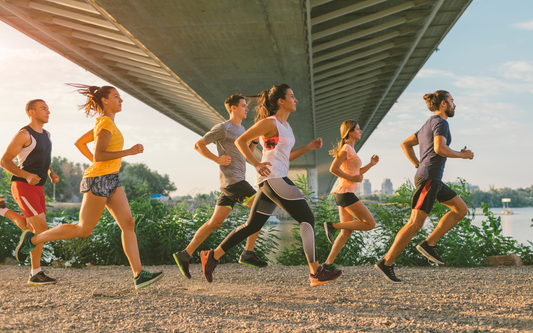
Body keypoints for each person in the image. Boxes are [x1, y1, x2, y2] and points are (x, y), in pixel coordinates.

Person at [15, 84, 163, 290]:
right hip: (98, 180)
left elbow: (80, 144)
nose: (121, 100)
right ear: (105, 100)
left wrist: (97, 162)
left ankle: (139, 275)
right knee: (84, 229)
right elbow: (100, 154)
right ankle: (33, 239)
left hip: (111, 179)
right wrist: (127, 152)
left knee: (128, 223)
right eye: (117, 97)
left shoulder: (105, 123)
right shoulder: (104, 124)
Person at [200, 84, 343, 287]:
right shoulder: (270, 122)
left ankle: (212, 256)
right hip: (273, 178)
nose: (296, 100)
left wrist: (309, 147)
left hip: (273, 178)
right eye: (292, 96)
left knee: (252, 225)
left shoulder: (286, 127)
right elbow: (241, 141)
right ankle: (315, 272)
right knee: (307, 218)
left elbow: (287, 156)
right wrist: (257, 163)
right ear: (280, 101)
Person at [374, 90, 474, 284]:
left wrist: (417, 164)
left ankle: (429, 244)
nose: (455, 105)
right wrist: (463, 155)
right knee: (415, 224)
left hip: (432, 179)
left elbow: (405, 144)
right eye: (452, 101)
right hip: (428, 179)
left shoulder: (429, 123)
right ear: (443, 104)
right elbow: (439, 148)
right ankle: (386, 263)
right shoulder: (441, 123)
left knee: (460, 209)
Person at [173, 94, 267, 279]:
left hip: (230, 184)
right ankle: (247, 252)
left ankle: (185, 254)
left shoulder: (242, 129)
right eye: (243, 106)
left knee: (215, 223)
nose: (247, 108)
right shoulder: (224, 128)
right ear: (233, 108)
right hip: (233, 181)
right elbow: (198, 144)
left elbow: (246, 150)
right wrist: (216, 159)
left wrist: (255, 139)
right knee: (262, 209)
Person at [1, 99, 59, 285]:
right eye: (44, 108)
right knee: (41, 228)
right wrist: (25, 175)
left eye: (48, 108)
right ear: (31, 112)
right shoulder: (24, 134)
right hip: (23, 186)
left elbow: (43, 155)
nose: (48, 111)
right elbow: (5, 161)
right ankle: (36, 273)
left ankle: (2, 211)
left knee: (31, 226)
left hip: (39, 186)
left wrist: (51, 171)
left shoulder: (46, 134)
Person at [323, 119, 379, 271]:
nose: (360, 131)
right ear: (350, 132)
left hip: (343, 193)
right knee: (370, 224)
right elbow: (333, 169)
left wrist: (371, 164)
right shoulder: (347, 148)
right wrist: (352, 178)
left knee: (346, 232)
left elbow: (357, 173)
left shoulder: (350, 149)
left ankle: (328, 264)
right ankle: (332, 225)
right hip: (346, 193)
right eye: (358, 129)